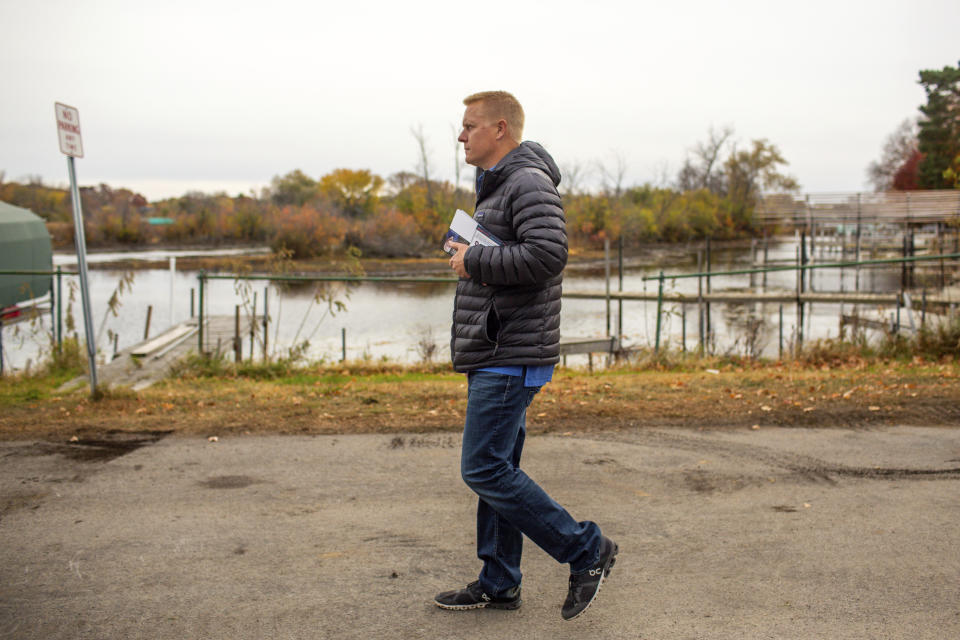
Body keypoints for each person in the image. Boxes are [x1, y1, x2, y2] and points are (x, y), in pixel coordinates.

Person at [434, 91, 618, 621]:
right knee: (499, 466)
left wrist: (477, 260)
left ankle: (587, 551)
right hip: (496, 348)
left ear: (500, 129)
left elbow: (547, 255)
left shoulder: (527, 180)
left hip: (510, 354)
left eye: (469, 126)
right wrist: (473, 254)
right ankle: (500, 581)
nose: (461, 136)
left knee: (484, 468)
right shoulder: (498, 187)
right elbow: (517, 251)